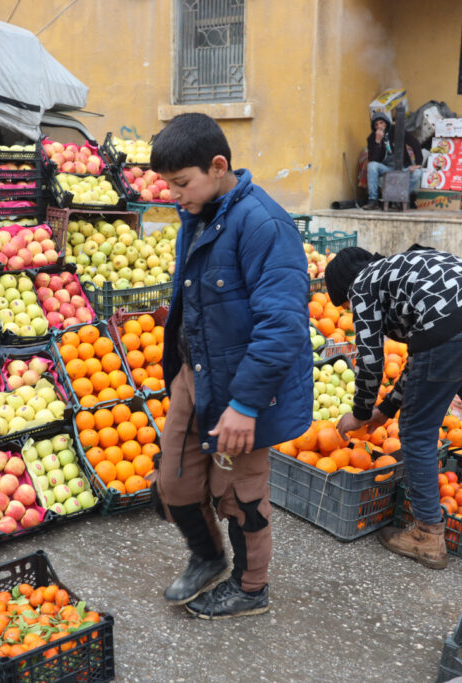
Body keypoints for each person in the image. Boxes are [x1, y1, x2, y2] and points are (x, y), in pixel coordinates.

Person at [148, 113, 313, 619]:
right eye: (169, 185)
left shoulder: (264, 224)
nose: (174, 195)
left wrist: (245, 404)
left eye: (182, 183)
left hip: (244, 391)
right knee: (172, 483)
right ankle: (207, 556)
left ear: (218, 166)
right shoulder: (197, 215)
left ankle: (250, 588)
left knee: (242, 496)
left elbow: (282, 324)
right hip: (194, 377)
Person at [324, 245, 462, 572]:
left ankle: (427, 536)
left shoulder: (361, 285)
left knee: (417, 432)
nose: (351, 311)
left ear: (345, 291)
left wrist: (360, 413)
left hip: (456, 328)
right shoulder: (402, 269)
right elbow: (423, 353)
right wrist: (386, 410)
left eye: (345, 306)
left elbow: (371, 362)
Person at [364, 112, 423, 210]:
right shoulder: (372, 138)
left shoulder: (396, 130)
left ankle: (400, 198)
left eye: (381, 123)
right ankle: (373, 200)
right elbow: (373, 159)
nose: (379, 126)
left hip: (402, 167)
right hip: (387, 168)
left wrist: (418, 164)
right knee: (371, 166)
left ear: (386, 123)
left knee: (418, 173)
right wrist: (377, 142)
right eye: (376, 124)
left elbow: (415, 143)